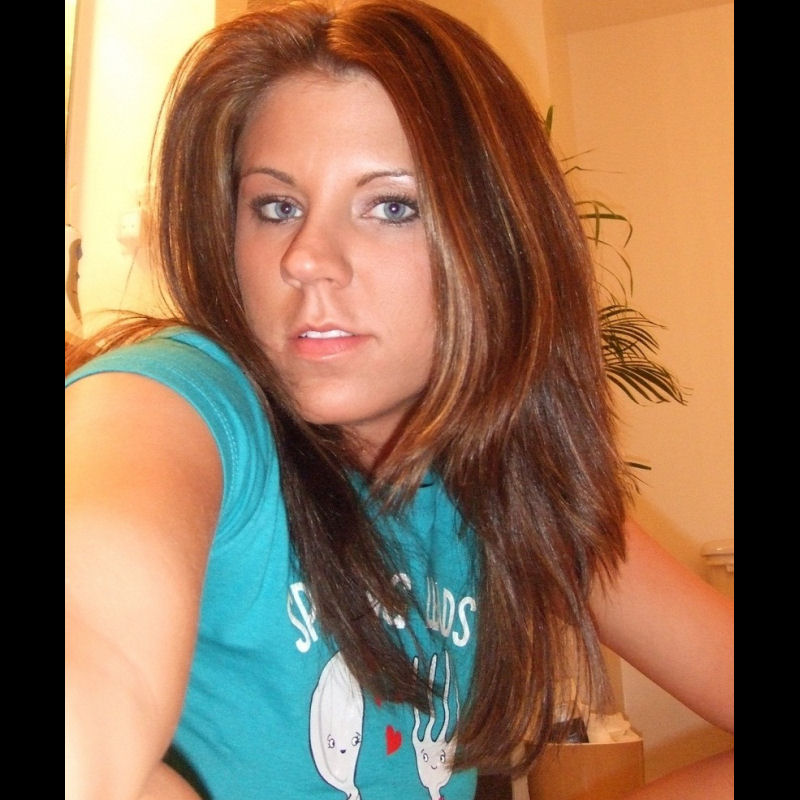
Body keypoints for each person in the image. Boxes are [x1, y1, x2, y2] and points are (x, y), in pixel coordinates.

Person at [64, 1, 734, 798]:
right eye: (276, 206)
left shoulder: (510, 489)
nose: (306, 258)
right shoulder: (170, 409)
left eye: (392, 206)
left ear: (497, 244)